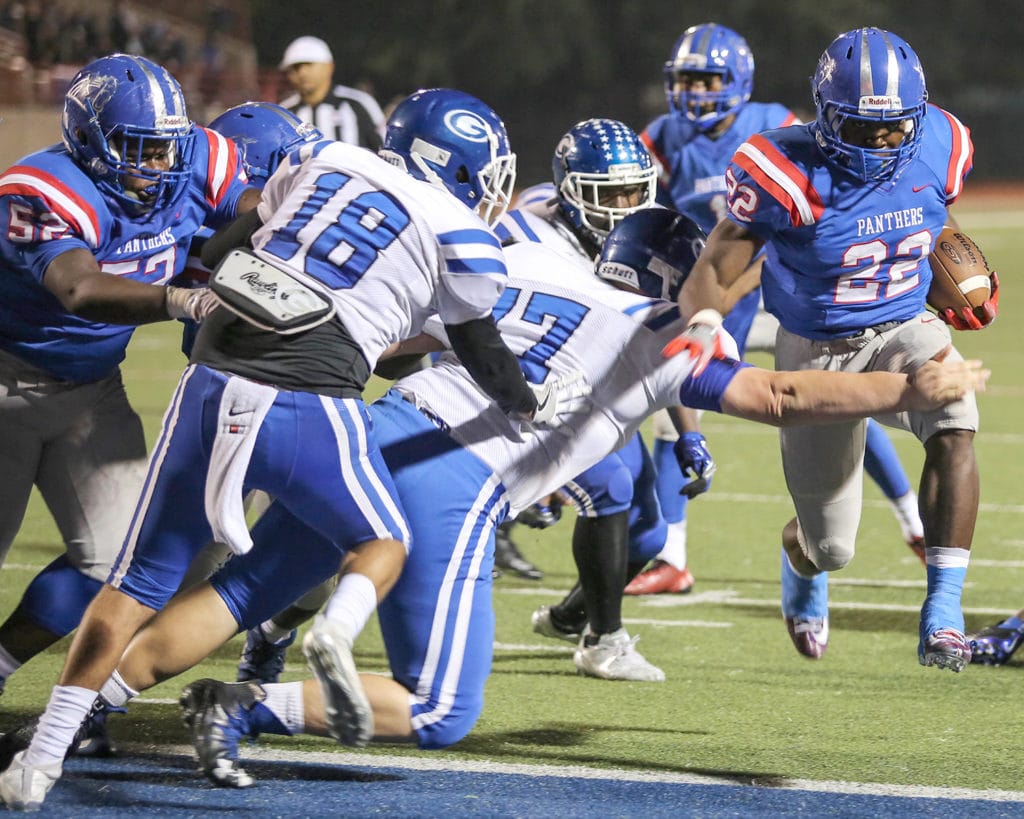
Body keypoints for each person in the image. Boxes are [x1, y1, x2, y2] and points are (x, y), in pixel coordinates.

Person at [4, 207, 982, 792]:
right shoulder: (666, 344)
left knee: (243, 591)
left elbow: (399, 342)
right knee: (439, 708)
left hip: (374, 431)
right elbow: (779, 395)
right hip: (450, 482)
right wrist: (911, 388)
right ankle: (245, 707)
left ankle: (101, 701)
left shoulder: (526, 282)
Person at [0, 86, 550, 811]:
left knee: (132, 581)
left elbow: (229, 252)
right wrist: (526, 402)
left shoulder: (325, 156)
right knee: (382, 540)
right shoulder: (467, 237)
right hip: (310, 392)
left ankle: (36, 763)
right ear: (463, 170)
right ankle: (335, 630)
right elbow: (479, 347)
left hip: (212, 376)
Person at [671, 27, 997, 672]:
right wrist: (706, 321)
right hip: (817, 349)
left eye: (896, 126)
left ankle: (943, 611)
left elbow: (931, 213)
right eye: (862, 127)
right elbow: (717, 261)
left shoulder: (943, 140)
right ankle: (803, 562)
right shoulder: (782, 171)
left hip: (904, 325)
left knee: (956, 418)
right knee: (829, 547)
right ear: (825, 116)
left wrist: (956, 272)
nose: (882, 140)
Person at [629, 23, 928, 626]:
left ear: (738, 81)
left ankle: (913, 522)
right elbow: (650, 216)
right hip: (712, 296)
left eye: (708, 78)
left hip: (776, 295)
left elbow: (809, 214)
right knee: (670, 413)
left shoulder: (773, 125)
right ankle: (673, 557)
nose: (695, 91)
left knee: (841, 398)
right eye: (686, 79)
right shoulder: (661, 138)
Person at [0, 53, 256, 701]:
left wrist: (298, 206)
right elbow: (80, 287)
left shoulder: (199, 156)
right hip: (6, 381)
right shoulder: (39, 188)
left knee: (115, 562)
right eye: (139, 149)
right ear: (87, 140)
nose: (161, 166)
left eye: (167, 148)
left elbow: (252, 206)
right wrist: (181, 299)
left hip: (91, 388)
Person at [496, 118, 677, 681]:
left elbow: (665, 336)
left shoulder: (644, 234)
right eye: (608, 196)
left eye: (633, 192)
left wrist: (688, 431)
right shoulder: (521, 235)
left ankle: (573, 615)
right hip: (530, 390)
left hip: (599, 389)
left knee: (650, 529)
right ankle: (605, 640)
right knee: (612, 490)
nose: (625, 209)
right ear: (570, 192)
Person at [278, 35, 386, 151]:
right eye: (296, 67)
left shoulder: (359, 103)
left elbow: (386, 150)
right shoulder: (284, 112)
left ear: (329, 66)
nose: (302, 73)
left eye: (309, 64)